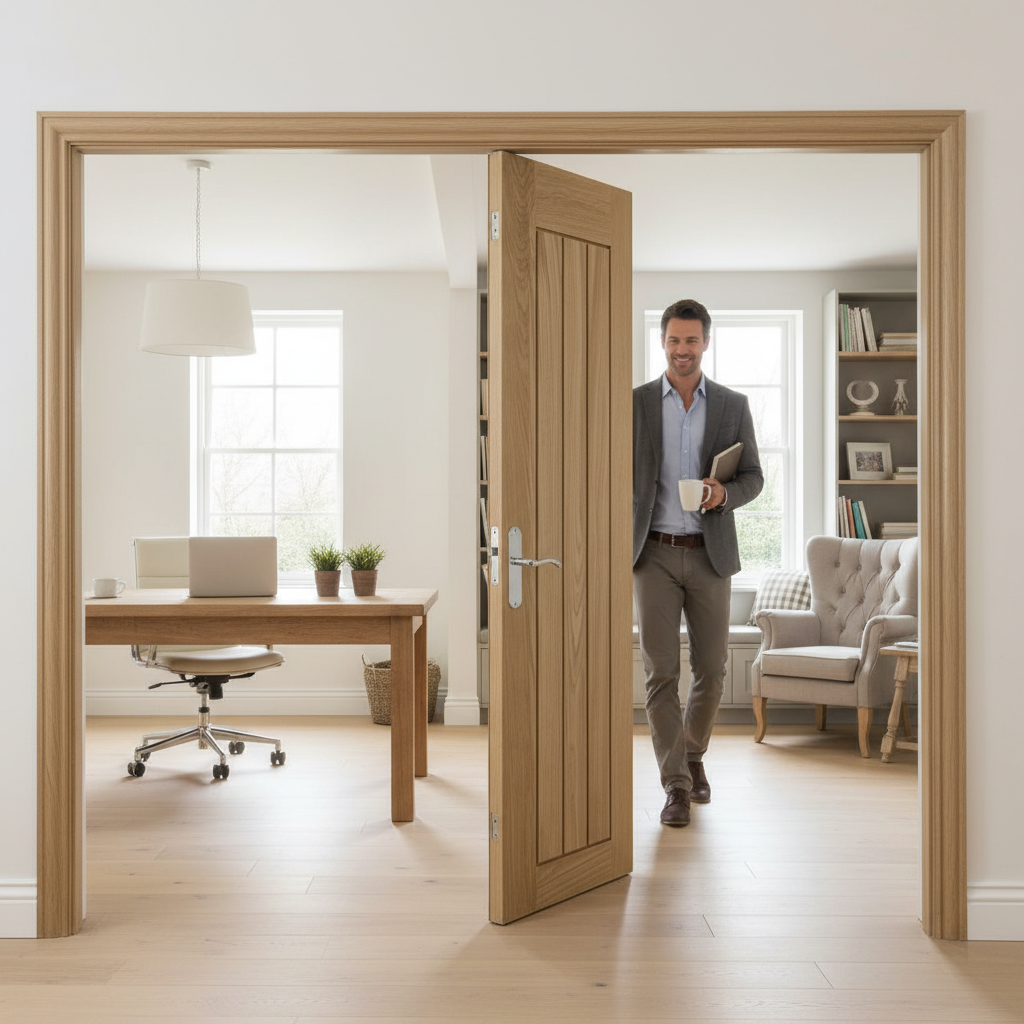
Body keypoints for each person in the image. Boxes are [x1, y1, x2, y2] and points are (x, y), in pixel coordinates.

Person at [633, 299, 763, 826]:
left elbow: (753, 477)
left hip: (710, 554)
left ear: (706, 342)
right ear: (662, 342)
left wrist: (724, 495)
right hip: (653, 554)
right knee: (660, 674)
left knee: (712, 668)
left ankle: (691, 753)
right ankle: (676, 786)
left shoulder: (732, 404)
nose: (681, 349)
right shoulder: (636, 404)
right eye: (673, 340)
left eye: (691, 340)